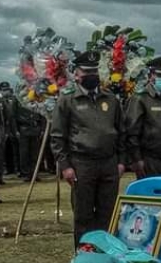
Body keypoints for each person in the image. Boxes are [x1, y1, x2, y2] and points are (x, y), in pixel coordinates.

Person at [50, 52, 126, 248]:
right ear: (76, 75)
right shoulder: (67, 101)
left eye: (94, 71)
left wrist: (121, 162)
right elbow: (58, 137)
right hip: (81, 164)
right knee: (83, 214)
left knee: (108, 212)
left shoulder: (110, 99)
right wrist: (65, 166)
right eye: (86, 71)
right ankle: (86, 256)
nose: (91, 75)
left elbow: (121, 132)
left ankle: (107, 252)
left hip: (109, 163)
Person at [14, 92, 45, 180]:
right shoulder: (18, 100)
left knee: (35, 153)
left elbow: (43, 115)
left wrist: (42, 129)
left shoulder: (37, 98)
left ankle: (35, 173)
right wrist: (15, 130)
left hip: (35, 129)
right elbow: (13, 115)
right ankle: (26, 173)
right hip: (24, 129)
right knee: (24, 153)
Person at [0, 82, 20, 179]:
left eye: (6, 89)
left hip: (13, 128)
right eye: (3, 90)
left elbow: (15, 116)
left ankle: (16, 169)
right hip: (3, 129)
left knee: (15, 150)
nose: (5, 91)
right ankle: (6, 169)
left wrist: (15, 130)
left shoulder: (15, 100)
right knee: (4, 151)